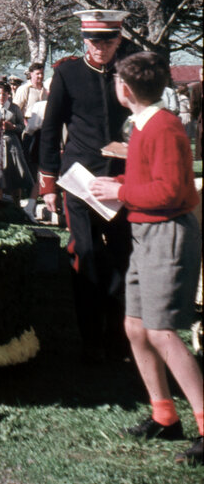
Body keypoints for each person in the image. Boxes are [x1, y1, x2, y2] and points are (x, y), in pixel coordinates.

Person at [89, 52, 202, 467]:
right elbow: (149, 180)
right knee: (136, 327)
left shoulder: (163, 127)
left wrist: (119, 192)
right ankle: (164, 415)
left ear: (125, 89)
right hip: (145, 232)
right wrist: (117, 182)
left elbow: (170, 191)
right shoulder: (144, 124)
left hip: (167, 233)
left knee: (162, 332)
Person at [39, 9, 132, 363]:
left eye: (108, 41)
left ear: (118, 40)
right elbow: (51, 130)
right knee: (86, 258)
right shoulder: (67, 74)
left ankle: (118, 339)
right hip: (80, 183)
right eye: (94, 41)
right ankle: (91, 341)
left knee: (124, 259)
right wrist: (48, 184)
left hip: (122, 182)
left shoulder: (128, 74)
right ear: (84, 40)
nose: (100, 48)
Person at [0, 81, 33, 202]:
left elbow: (22, 126)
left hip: (12, 144)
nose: (1, 97)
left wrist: (13, 127)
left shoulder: (14, 108)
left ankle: (17, 201)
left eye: (4, 94)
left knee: (16, 172)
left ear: (8, 95)